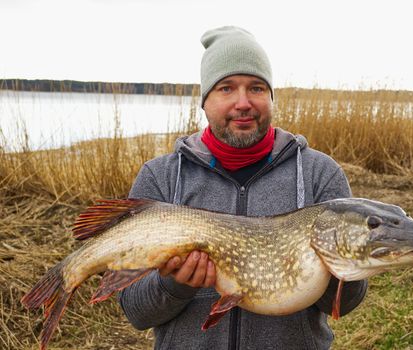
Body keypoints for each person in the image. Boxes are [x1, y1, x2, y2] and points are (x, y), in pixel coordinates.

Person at [119, 26, 368, 350]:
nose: (243, 102)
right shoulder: (161, 177)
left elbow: (344, 305)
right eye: (226, 88)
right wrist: (175, 284)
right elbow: (136, 312)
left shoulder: (319, 173)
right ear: (205, 101)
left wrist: (340, 264)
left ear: (270, 96)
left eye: (257, 88)